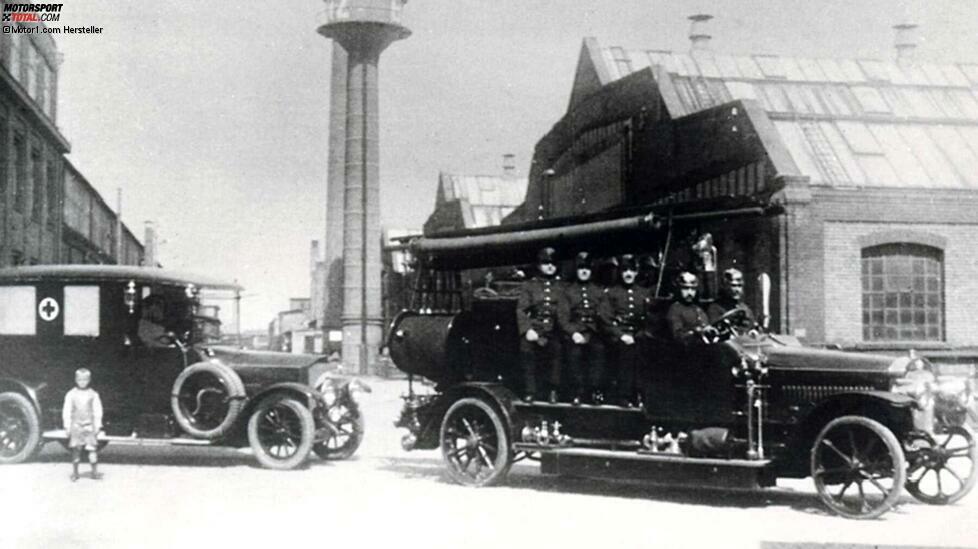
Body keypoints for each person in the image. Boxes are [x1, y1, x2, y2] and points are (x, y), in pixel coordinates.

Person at [601, 254, 652, 408]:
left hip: (637, 334)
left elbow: (649, 318)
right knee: (626, 352)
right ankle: (624, 395)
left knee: (646, 350)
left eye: (632, 270)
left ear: (637, 272)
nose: (628, 274)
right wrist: (620, 335)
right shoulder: (611, 293)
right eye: (625, 270)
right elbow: (605, 319)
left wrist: (639, 334)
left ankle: (641, 394)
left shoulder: (643, 293)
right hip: (618, 336)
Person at [558, 251, 606, 405]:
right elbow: (563, 317)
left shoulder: (598, 291)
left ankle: (595, 390)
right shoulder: (568, 292)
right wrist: (573, 333)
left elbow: (604, 315)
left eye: (587, 268)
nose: (584, 271)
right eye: (581, 268)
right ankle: (577, 392)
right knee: (574, 353)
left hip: (593, 331)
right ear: (576, 270)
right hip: (575, 331)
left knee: (598, 350)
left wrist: (595, 332)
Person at [516, 247, 563, 403]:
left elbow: (564, 311)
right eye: (546, 263)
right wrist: (528, 330)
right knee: (526, 348)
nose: (550, 267)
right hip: (535, 328)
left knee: (557, 349)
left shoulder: (561, 286)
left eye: (553, 263)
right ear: (539, 265)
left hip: (554, 329)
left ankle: (553, 390)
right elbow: (521, 310)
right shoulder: (530, 285)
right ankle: (530, 391)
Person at [62, 368, 104, 481]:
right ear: (76, 380)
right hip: (76, 426)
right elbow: (67, 410)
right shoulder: (71, 394)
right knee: (76, 450)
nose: (82, 382)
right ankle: (75, 473)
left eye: (85, 379)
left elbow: (97, 410)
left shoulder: (93, 394)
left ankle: (94, 472)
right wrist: (67, 425)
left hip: (89, 426)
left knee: (92, 450)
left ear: (89, 380)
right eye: (80, 379)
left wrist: (98, 424)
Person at [666, 271, 713, 345]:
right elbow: (678, 336)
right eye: (685, 288)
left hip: (704, 347)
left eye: (693, 289)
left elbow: (706, 326)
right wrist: (696, 331)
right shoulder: (675, 309)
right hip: (686, 351)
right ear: (679, 289)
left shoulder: (698, 309)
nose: (690, 293)